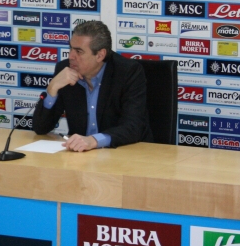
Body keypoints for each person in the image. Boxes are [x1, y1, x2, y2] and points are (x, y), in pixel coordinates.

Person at [32, 20, 152, 151]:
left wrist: (94, 141)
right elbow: (40, 128)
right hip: (81, 156)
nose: (71, 56)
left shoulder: (128, 72)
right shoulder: (65, 70)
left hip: (124, 153)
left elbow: (133, 127)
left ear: (100, 55)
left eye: (79, 51)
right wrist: (52, 88)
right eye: (71, 48)